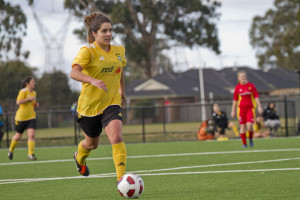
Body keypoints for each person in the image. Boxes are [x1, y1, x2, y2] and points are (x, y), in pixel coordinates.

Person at [70, 13, 127, 181]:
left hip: (111, 102)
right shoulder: (88, 51)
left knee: (116, 136)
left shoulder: (119, 51)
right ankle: (79, 157)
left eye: (110, 30)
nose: (109, 34)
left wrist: (122, 91)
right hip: (89, 107)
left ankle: (121, 180)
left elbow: (120, 69)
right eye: (104, 31)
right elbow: (73, 72)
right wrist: (92, 80)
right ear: (94, 34)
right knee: (92, 144)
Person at [8, 77, 39, 160]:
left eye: (34, 81)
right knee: (18, 136)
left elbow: (33, 103)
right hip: (21, 118)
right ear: (27, 83)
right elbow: (18, 102)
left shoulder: (34, 93)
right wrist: (28, 99)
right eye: (32, 82)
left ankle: (30, 154)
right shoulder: (23, 91)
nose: (34, 83)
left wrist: (35, 104)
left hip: (31, 117)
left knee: (31, 135)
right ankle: (10, 150)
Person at [231, 71, 263, 148]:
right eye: (241, 76)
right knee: (242, 127)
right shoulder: (237, 88)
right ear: (238, 78)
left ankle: (251, 139)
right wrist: (233, 110)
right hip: (241, 109)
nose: (243, 77)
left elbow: (256, 97)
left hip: (250, 109)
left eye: (244, 76)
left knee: (249, 126)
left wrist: (259, 106)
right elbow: (235, 100)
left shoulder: (251, 86)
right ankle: (244, 143)